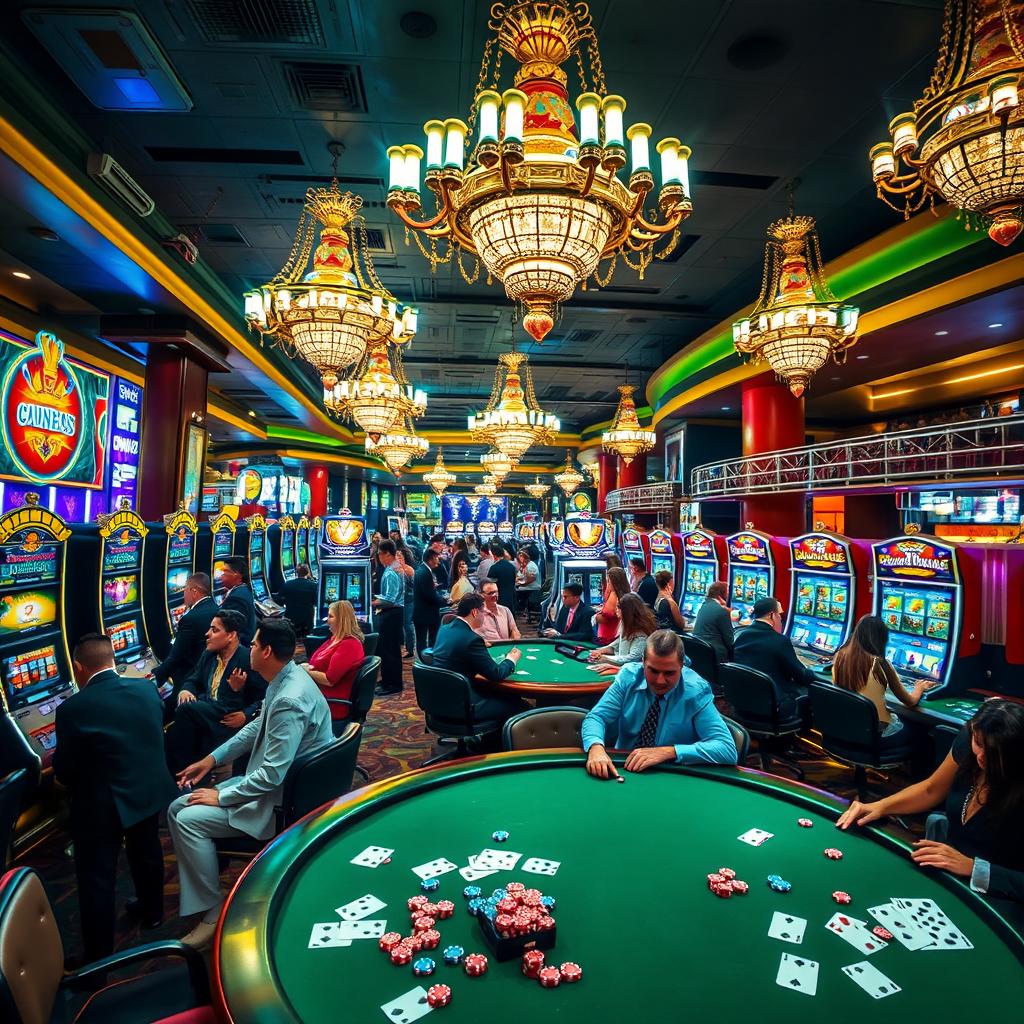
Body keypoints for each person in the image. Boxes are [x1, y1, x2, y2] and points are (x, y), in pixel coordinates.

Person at [168, 619, 333, 950]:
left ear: (268, 651)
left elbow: (271, 775)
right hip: (284, 783)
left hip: (283, 801)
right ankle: (207, 893)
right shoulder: (287, 676)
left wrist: (223, 796)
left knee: (185, 818)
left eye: (254, 645)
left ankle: (212, 915)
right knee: (177, 805)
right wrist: (211, 760)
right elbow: (254, 729)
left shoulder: (289, 697)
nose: (250, 650)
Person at [837, 699, 1024, 930]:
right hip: (949, 871)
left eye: (993, 752)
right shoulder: (970, 741)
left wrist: (975, 868)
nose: (981, 756)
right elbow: (931, 790)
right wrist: (879, 806)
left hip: (1001, 902)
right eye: (979, 743)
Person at [54, 634, 175, 961]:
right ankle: (152, 913)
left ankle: (98, 958)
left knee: (97, 876)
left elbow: (64, 771)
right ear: (112, 659)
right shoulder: (146, 689)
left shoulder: (72, 709)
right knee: (147, 853)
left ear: (78, 668)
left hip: (103, 805)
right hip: (148, 790)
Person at [582, 629, 738, 778]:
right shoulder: (628, 678)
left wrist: (670, 751)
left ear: (681, 665)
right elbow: (597, 717)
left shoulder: (696, 691)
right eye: (653, 671)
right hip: (624, 766)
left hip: (672, 774)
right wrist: (595, 747)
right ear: (643, 662)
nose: (660, 681)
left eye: (669, 673)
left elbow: (726, 748)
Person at [165, 609, 267, 774]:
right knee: (177, 724)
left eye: (214, 630)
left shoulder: (247, 659)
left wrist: (246, 714)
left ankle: (180, 773)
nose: (207, 634)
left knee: (185, 711)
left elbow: (266, 695)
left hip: (229, 717)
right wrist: (185, 690)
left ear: (231, 636)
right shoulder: (209, 654)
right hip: (209, 710)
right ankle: (184, 773)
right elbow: (193, 679)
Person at [832, 614, 938, 752]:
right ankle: (915, 773)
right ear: (881, 640)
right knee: (921, 729)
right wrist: (920, 687)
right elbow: (910, 702)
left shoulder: (840, 655)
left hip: (847, 730)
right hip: (874, 738)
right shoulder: (880, 663)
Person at [430, 593, 528, 726]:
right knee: (518, 703)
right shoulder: (471, 640)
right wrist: (511, 659)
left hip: (439, 697)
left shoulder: (445, 629)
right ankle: (497, 743)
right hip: (464, 703)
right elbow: (496, 674)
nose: (485, 615)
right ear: (475, 612)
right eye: (483, 612)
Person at [733, 596, 815, 723]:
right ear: (772, 615)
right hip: (773, 708)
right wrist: (814, 671)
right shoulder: (780, 641)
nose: (781, 619)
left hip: (742, 703)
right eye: (780, 615)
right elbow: (801, 676)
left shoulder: (741, 636)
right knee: (812, 689)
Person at [152, 573, 217, 695]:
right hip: (208, 672)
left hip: (191, 678)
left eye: (185, 590)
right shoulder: (214, 607)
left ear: (194, 591)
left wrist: (155, 678)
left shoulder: (190, 619)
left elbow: (176, 657)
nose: (183, 594)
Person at [303, 599, 365, 721]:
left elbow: (329, 680)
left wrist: (306, 671)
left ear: (341, 620)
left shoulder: (349, 645)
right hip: (317, 694)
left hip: (331, 702)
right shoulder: (335, 639)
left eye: (330, 616)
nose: (327, 620)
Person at [588, 593, 656, 675]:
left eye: (618, 606)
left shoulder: (641, 633)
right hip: (622, 668)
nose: (616, 609)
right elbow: (616, 646)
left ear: (627, 611)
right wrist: (600, 651)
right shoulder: (625, 624)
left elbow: (632, 659)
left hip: (632, 674)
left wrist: (605, 658)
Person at [372, 539, 405, 696]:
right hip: (394, 613)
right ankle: (387, 680)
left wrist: (372, 602)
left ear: (387, 554)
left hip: (392, 613)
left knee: (389, 651)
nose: (378, 557)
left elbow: (389, 599)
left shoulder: (392, 572)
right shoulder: (394, 568)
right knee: (390, 650)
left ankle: (392, 684)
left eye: (379, 554)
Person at [413, 548, 448, 654]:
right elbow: (429, 595)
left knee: (422, 641)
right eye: (437, 558)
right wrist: (445, 601)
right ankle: (426, 665)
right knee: (425, 642)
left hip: (422, 612)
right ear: (431, 559)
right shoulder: (425, 573)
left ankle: (424, 663)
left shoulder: (423, 570)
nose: (439, 560)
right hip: (425, 613)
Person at [219, 556, 257, 645]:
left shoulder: (236, 599)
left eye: (225, 571)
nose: (221, 575)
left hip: (238, 650)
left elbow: (232, 631)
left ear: (237, 575)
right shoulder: (243, 590)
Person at [694, 581, 735, 662]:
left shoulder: (704, 606)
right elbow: (730, 641)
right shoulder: (722, 611)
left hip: (701, 651)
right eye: (727, 594)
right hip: (716, 655)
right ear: (721, 596)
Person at [275, 563, 318, 639]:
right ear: (308, 572)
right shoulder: (313, 586)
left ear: (296, 572)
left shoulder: (288, 584)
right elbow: (316, 602)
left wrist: (287, 602)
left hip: (291, 618)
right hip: (307, 620)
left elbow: (278, 600)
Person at [596, 566, 630, 644]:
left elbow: (607, 617)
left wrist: (593, 616)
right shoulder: (625, 594)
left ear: (614, 581)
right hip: (612, 637)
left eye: (609, 580)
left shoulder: (614, 595)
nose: (608, 583)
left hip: (610, 637)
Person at [394, 547, 417, 659]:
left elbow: (414, 587)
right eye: (396, 556)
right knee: (401, 625)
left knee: (408, 625)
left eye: (400, 556)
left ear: (404, 558)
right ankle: (403, 647)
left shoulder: (409, 570)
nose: (398, 558)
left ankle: (410, 649)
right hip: (398, 601)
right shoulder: (393, 569)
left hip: (409, 600)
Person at [487, 540, 517, 612]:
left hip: (498, 599)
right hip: (511, 598)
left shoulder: (494, 567)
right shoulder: (511, 566)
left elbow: (489, 586)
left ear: (494, 555)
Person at [515, 549, 541, 614]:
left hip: (532, 588)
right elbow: (519, 576)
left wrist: (520, 584)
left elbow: (531, 579)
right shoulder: (524, 565)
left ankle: (520, 609)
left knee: (515, 592)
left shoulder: (531, 566)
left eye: (520, 557)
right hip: (527, 587)